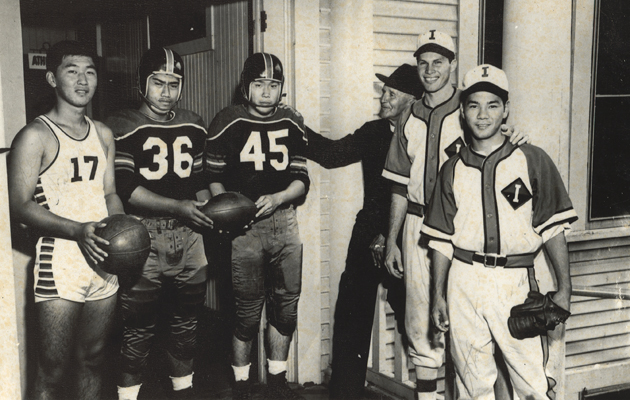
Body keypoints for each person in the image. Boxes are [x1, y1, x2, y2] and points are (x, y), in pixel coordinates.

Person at [381, 30, 528, 400]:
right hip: (416, 225)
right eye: (423, 62)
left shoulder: (467, 112)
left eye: (439, 62)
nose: (430, 70)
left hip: (461, 229)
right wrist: (393, 241)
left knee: (469, 326)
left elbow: (498, 144)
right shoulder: (408, 116)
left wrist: (518, 138)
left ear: (452, 65)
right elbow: (399, 185)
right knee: (420, 325)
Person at [423, 64, 576, 400]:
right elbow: (441, 242)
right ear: (462, 111)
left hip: (514, 281)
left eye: (492, 105)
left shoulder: (532, 159)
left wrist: (565, 288)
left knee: (532, 383)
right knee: (472, 385)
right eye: (474, 105)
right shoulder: (451, 169)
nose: (482, 115)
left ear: (506, 109)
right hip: (464, 279)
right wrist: (438, 295)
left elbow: (553, 231)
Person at [7, 40, 123, 400]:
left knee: (93, 359)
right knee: (52, 371)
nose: (83, 79)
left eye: (90, 71)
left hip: (104, 259)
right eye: (72, 71)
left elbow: (110, 193)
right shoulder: (34, 135)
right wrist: (77, 230)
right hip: (61, 259)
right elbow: (20, 206)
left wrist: (122, 228)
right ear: (52, 79)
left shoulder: (103, 133)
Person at [306, 64, 421, 399]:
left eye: (391, 93)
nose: (382, 97)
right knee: (351, 319)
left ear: (412, 100)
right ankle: (345, 393)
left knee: (413, 320)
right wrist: (296, 126)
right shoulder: (373, 132)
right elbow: (331, 155)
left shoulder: (427, 136)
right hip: (368, 229)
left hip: (406, 237)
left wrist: (391, 237)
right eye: (383, 91)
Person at [107, 47, 212, 400]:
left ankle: (183, 393)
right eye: (158, 83)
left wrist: (208, 204)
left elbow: (197, 180)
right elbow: (126, 188)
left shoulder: (194, 123)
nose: (166, 92)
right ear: (142, 83)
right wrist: (178, 206)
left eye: (174, 83)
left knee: (187, 325)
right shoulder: (121, 124)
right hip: (143, 234)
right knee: (138, 329)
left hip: (190, 235)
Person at [205, 52, 309, 400]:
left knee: (286, 307)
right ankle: (240, 386)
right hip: (244, 228)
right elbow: (213, 178)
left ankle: (277, 384)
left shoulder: (291, 121)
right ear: (245, 87)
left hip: (284, 221)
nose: (267, 92)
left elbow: (301, 180)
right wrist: (230, 212)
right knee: (246, 313)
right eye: (259, 84)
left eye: (274, 85)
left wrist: (279, 198)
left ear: (281, 89)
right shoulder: (227, 120)